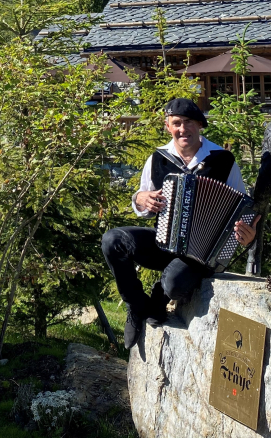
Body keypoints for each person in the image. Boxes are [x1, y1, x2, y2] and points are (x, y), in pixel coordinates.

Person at [101, 97, 259, 349]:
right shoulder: (158, 158)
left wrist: (247, 235)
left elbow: (242, 209)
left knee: (175, 284)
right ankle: (136, 306)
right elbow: (142, 202)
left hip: (201, 254)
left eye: (188, 123)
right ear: (167, 126)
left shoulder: (223, 160)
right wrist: (140, 198)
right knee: (113, 240)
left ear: (199, 125)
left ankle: (159, 296)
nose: (182, 129)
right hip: (164, 243)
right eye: (176, 123)